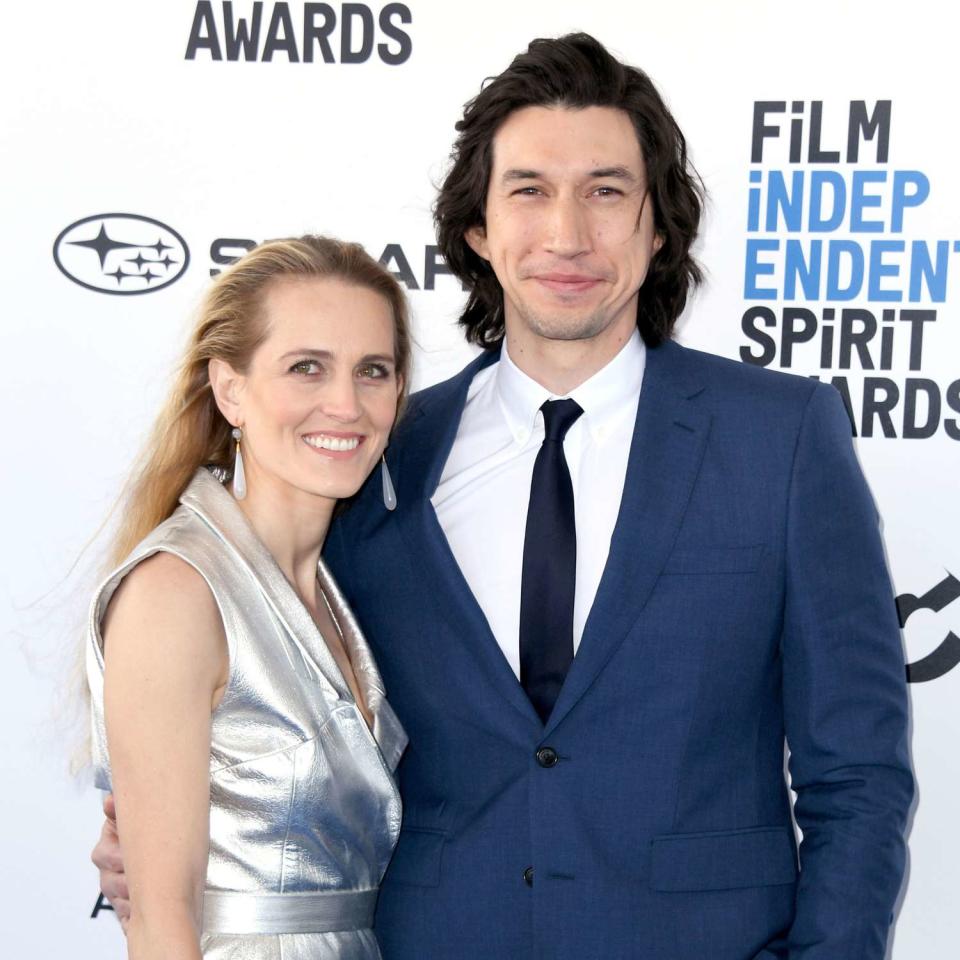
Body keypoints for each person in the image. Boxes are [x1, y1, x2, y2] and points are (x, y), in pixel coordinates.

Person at [95, 34, 914, 960]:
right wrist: (168, 850)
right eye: (529, 190)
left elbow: (860, 776)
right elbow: (275, 709)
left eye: (607, 192)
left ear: (657, 229)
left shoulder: (783, 437)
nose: (567, 234)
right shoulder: (375, 454)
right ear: (478, 229)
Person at [86, 236, 411, 959]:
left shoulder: (332, 592)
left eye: (373, 371)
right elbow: (161, 917)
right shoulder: (178, 591)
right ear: (230, 389)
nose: (345, 404)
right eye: (307, 368)